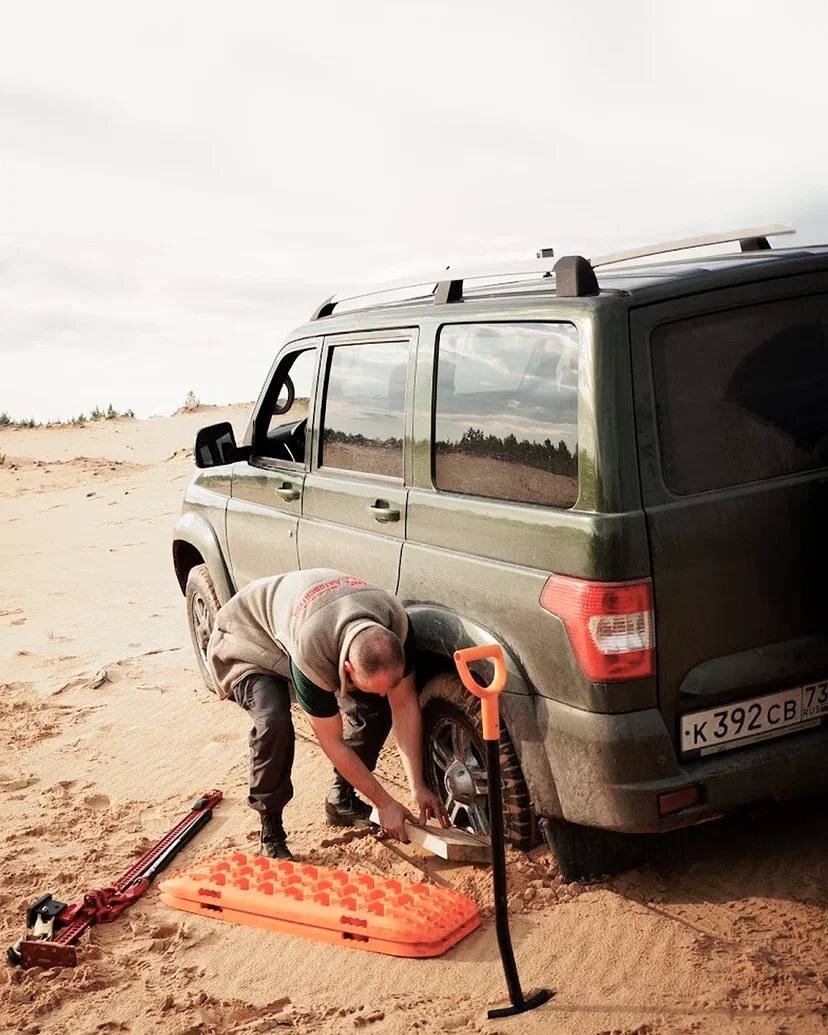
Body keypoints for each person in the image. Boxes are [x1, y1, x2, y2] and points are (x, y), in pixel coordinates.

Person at [206, 568, 448, 859]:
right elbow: (332, 742)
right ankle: (270, 829)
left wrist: (417, 786)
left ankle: (341, 799)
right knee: (274, 723)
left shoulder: (395, 622)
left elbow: (404, 705)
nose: (386, 692)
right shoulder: (313, 651)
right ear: (347, 668)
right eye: (374, 685)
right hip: (247, 639)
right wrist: (384, 803)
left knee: (377, 709)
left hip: (309, 623)